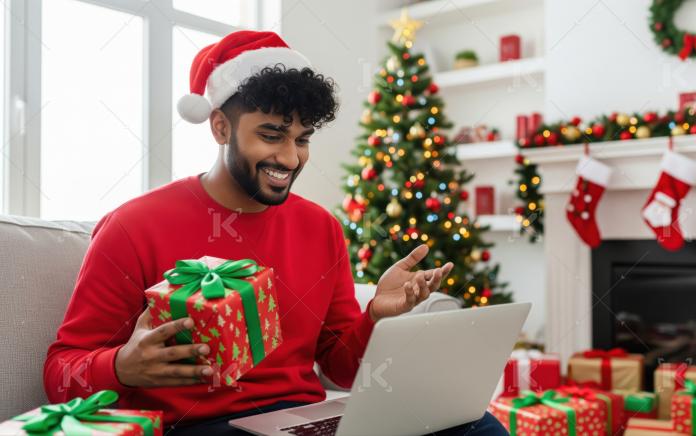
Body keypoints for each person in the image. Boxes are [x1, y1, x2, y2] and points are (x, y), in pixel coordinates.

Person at [43, 30, 507, 435]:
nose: (290, 158)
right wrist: (121, 367)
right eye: (271, 135)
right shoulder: (133, 225)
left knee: (473, 423)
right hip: (200, 427)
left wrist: (375, 317)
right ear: (221, 127)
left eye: (302, 139)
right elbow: (60, 372)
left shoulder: (321, 227)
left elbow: (340, 369)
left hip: (303, 420)